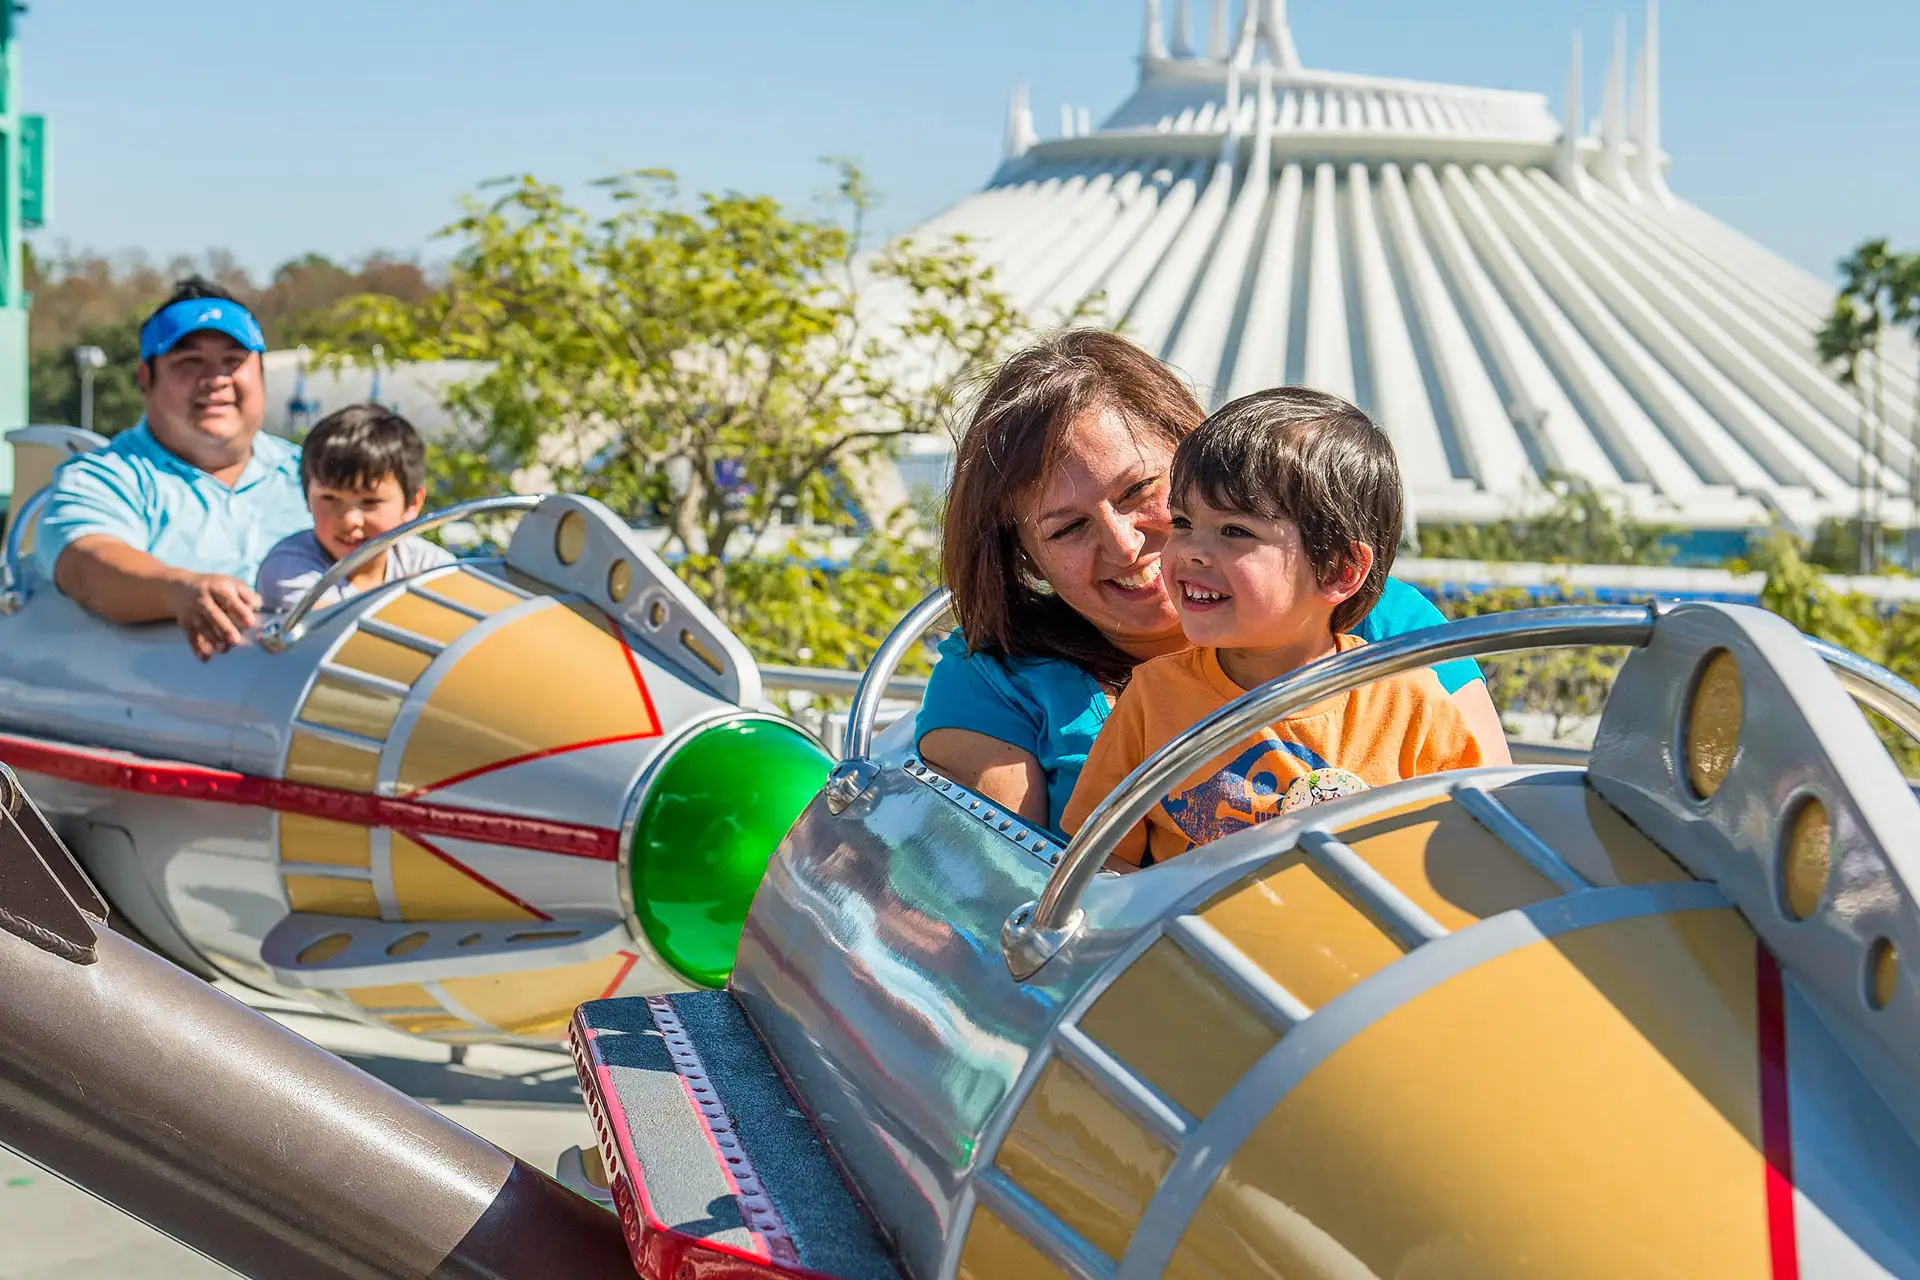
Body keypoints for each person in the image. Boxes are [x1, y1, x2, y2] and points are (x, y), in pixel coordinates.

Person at [915, 328, 1510, 836]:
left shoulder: (1387, 625)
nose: (1125, 545)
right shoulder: (993, 683)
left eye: (1141, 491)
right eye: (1068, 528)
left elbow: (1491, 827)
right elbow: (1010, 894)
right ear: (1022, 557)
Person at [1060, 388, 1483, 867]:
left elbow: (1468, 855)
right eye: (1183, 521)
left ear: (1339, 570)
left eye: (1235, 531)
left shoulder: (1409, 703)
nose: (1191, 550)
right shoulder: (1153, 698)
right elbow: (1102, 864)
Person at [33, 278, 311, 660]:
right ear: (146, 378)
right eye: (189, 361)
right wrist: (181, 591)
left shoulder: (313, 474)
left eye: (234, 359)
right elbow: (87, 564)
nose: (215, 379)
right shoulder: (102, 478)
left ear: (261, 373)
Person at [257, 405, 454, 613]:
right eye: (330, 498)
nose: (350, 520)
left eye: (370, 502)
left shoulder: (425, 562)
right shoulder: (288, 569)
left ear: (412, 504)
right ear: (307, 497)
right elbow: (335, 628)